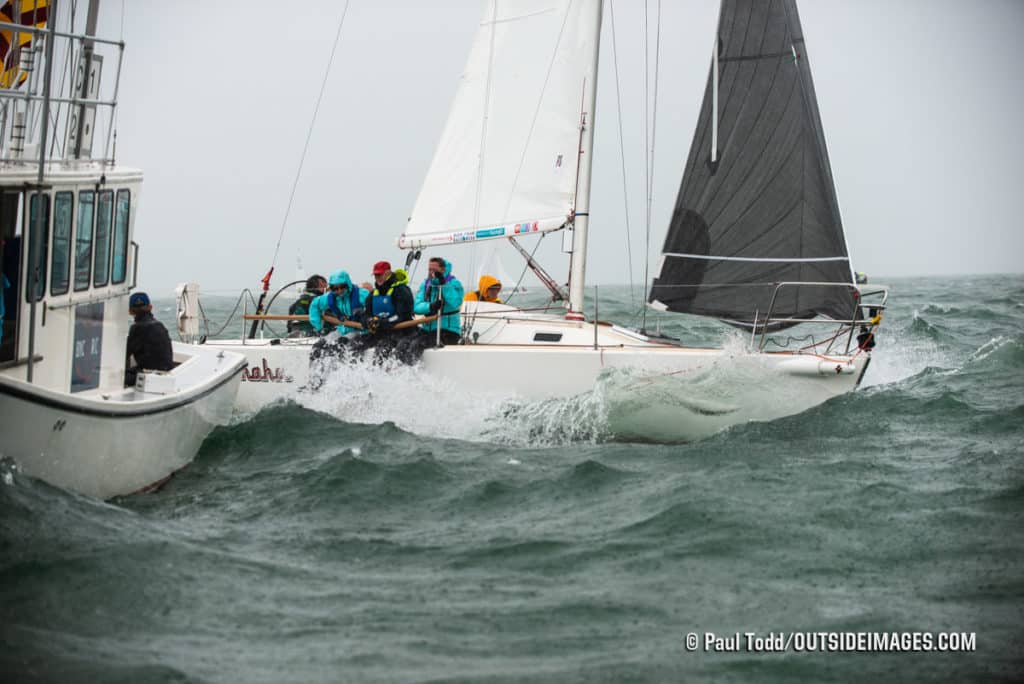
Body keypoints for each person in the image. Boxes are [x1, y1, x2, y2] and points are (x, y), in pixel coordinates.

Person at [125, 292, 174, 386]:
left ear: (130, 311)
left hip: (149, 375)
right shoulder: (160, 325)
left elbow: (124, 355)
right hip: (167, 373)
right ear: (150, 307)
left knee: (115, 377)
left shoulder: (136, 328)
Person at [413, 256, 464, 347]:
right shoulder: (426, 284)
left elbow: (456, 303)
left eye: (434, 270)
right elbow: (416, 307)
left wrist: (443, 284)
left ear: (443, 270)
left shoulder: (455, 284)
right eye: (429, 270)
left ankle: (413, 361)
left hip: (448, 330)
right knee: (405, 343)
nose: (431, 272)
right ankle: (397, 362)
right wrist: (431, 306)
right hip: (427, 329)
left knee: (417, 345)